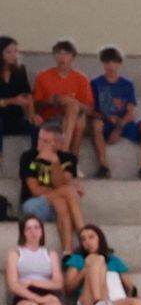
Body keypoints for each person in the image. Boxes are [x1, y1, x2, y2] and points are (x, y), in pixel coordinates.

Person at [89, 47, 141, 179]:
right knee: (96, 124)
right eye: (107, 62)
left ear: (119, 63)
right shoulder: (95, 83)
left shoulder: (127, 84)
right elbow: (91, 110)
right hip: (105, 122)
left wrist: (119, 128)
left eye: (114, 62)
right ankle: (103, 166)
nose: (110, 66)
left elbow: (130, 111)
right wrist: (106, 117)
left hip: (124, 122)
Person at [21, 118, 85, 255]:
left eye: (46, 141)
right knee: (68, 191)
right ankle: (84, 235)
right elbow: (35, 190)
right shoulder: (28, 157)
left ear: (58, 144)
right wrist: (69, 188)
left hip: (57, 205)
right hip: (34, 204)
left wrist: (55, 162)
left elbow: (60, 184)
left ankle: (67, 252)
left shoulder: (68, 159)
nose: (40, 144)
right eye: (40, 139)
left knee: (61, 203)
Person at [33, 40, 95, 167]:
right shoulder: (43, 76)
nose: (62, 57)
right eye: (58, 53)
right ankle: (72, 162)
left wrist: (72, 102)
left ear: (73, 57)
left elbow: (89, 109)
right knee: (79, 121)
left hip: (74, 119)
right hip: (51, 118)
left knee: (76, 114)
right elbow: (36, 105)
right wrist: (50, 101)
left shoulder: (81, 78)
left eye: (66, 53)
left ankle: (65, 153)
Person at [7, 213, 65, 305]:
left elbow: (58, 283)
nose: (33, 232)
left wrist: (32, 282)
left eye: (36, 227)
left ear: (42, 231)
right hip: (24, 296)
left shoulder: (50, 254)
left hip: (49, 295)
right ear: (23, 232)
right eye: (28, 228)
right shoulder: (15, 254)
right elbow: (13, 285)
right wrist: (38, 299)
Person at [0, 37, 35, 165]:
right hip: (1, 116)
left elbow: (27, 95)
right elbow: (14, 100)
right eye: (9, 52)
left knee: (37, 126)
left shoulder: (20, 70)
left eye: (15, 51)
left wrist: (32, 115)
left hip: (16, 116)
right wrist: (12, 101)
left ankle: (36, 158)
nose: (13, 55)